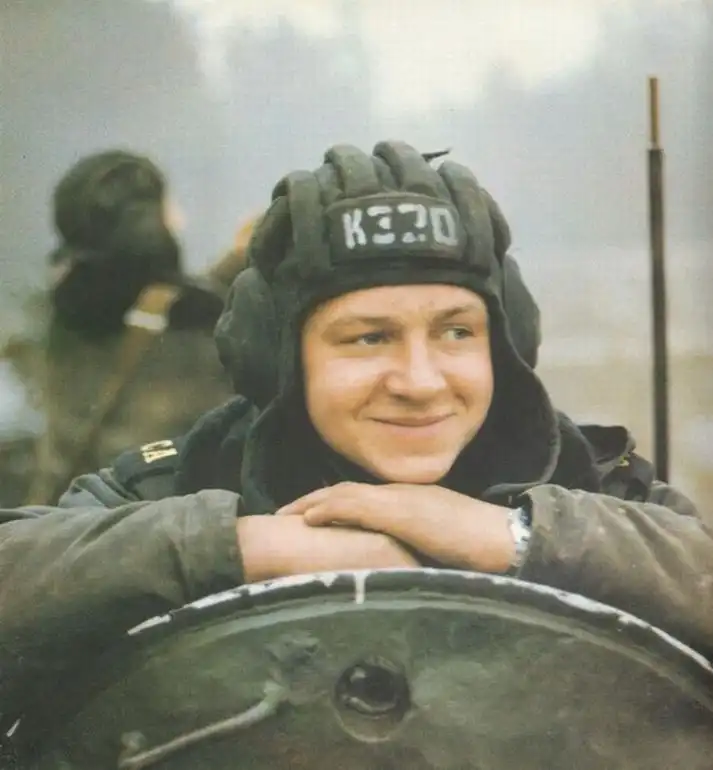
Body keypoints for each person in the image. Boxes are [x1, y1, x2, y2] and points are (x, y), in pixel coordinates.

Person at [1, 141, 712, 756]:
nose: (420, 381)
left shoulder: (589, 484)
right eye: (369, 337)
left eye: (456, 332)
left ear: (505, 343)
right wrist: (236, 547)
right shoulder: (181, 485)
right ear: (280, 358)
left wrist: (521, 539)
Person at [1, 149, 235, 506]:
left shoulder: (58, 310)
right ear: (148, 221)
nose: (180, 219)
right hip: (157, 513)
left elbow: (146, 308)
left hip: (70, 510)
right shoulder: (197, 323)